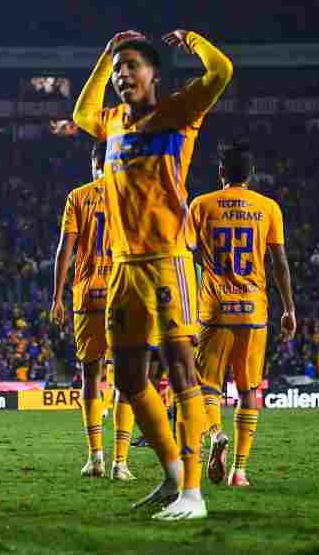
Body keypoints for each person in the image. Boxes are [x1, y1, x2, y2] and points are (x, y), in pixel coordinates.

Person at [69, 28, 233, 521]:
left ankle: (194, 494)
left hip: (167, 259)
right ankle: (171, 475)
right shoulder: (114, 122)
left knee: (182, 369)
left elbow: (222, 71)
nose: (123, 75)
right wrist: (103, 54)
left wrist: (193, 39)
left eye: (131, 66)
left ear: (154, 74)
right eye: (118, 69)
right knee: (129, 377)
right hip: (122, 266)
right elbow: (80, 115)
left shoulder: (179, 112)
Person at [189, 142, 295, 487]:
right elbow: (279, 262)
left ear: (221, 172)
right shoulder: (268, 208)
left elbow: (186, 255)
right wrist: (289, 308)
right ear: (251, 174)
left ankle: (216, 433)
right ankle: (240, 470)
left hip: (214, 309)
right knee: (249, 389)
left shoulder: (201, 205)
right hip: (254, 310)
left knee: (207, 385)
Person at [51, 141, 135, 481]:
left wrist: (56, 297)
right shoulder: (130, 195)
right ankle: (121, 463)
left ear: (93, 163)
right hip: (124, 295)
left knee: (90, 375)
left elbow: (65, 251)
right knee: (127, 378)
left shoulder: (78, 196)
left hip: (87, 297)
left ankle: (95, 457)